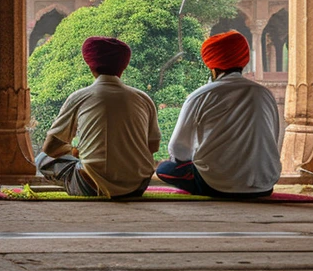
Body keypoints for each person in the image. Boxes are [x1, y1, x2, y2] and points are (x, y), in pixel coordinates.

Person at [155, 30, 280, 199]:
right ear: (243, 61)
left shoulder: (200, 96)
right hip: (264, 186)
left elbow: (178, 149)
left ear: (212, 67)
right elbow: (274, 139)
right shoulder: (265, 94)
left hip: (215, 185)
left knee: (164, 169)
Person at [35, 36, 159, 198]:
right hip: (136, 186)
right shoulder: (143, 98)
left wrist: (75, 151)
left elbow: (50, 147)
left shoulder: (80, 96)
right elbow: (153, 146)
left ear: (90, 65)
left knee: (42, 158)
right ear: (123, 65)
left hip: (90, 186)